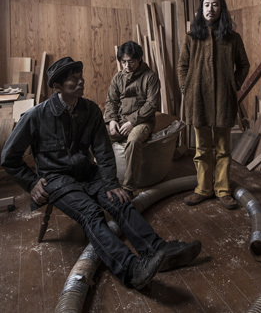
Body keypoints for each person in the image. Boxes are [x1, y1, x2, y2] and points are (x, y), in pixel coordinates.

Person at [1, 57, 201, 290]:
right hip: (56, 179)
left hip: (87, 172)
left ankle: (157, 250)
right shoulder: (36, 116)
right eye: (73, 79)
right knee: (91, 213)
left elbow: (103, 151)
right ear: (57, 87)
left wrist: (110, 182)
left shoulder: (90, 110)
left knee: (120, 201)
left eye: (80, 76)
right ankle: (130, 269)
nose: (81, 81)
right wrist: (32, 182)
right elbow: (8, 157)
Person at [178, 0, 250, 210]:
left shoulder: (232, 38)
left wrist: (233, 84)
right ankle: (203, 188)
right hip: (198, 99)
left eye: (215, 5)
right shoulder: (192, 37)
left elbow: (244, 65)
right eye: (207, 5)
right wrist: (187, 88)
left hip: (223, 100)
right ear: (201, 9)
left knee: (223, 148)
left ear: (222, 9)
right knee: (201, 148)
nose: (210, 9)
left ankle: (222, 189)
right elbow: (182, 66)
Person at [105, 41, 160, 197]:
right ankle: (98, 179)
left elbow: (152, 104)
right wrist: (112, 120)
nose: (127, 65)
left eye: (131, 61)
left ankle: (129, 188)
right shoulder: (118, 78)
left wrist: (132, 122)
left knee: (134, 140)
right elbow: (111, 101)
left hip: (143, 121)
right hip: (120, 119)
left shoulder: (150, 76)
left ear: (139, 59)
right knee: (95, 134)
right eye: (123, 62)